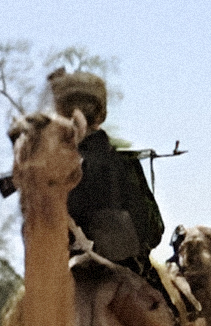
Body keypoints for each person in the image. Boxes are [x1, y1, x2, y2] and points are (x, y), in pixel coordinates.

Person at [44, 68, 168, 291]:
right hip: (129, 279)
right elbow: (153, 229)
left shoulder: (50, 170)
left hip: (63, 281)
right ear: (101, 115)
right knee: (178, 315)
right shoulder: (125, 164)